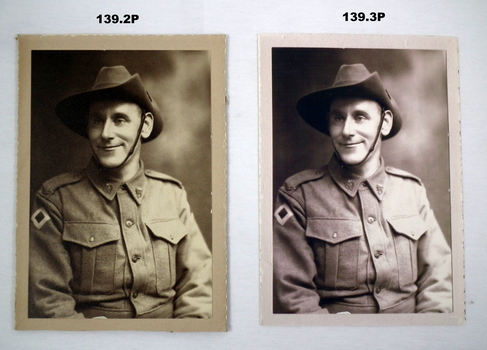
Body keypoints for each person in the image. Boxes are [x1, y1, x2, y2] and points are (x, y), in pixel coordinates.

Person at [29, 65, 212, 319]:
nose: (106, 134)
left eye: (120, 119)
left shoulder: (171, 194)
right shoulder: (56, 199)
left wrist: (185, 336)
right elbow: (49, 299)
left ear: (144, 126)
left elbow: (199, 283)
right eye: (97, 120)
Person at [273, 63, 452, 314]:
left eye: (360, 117)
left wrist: (426, 333)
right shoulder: (298, 196)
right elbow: (295, 294)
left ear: (385, 123)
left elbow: (439, 279)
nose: (347, 131)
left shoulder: (411, 190)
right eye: (338, 118)